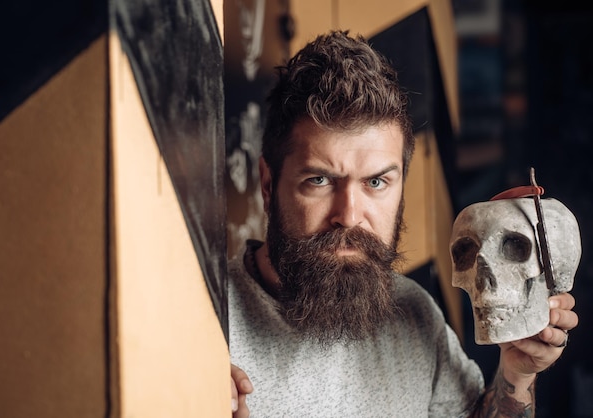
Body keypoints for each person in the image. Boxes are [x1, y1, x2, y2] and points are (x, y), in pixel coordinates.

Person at [229, 30, 578, 417]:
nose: (349, 215)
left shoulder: (414, 312)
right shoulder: (206, 326)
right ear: (267, 184)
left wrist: (516, 373)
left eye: (376, 182)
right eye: (319, 180)